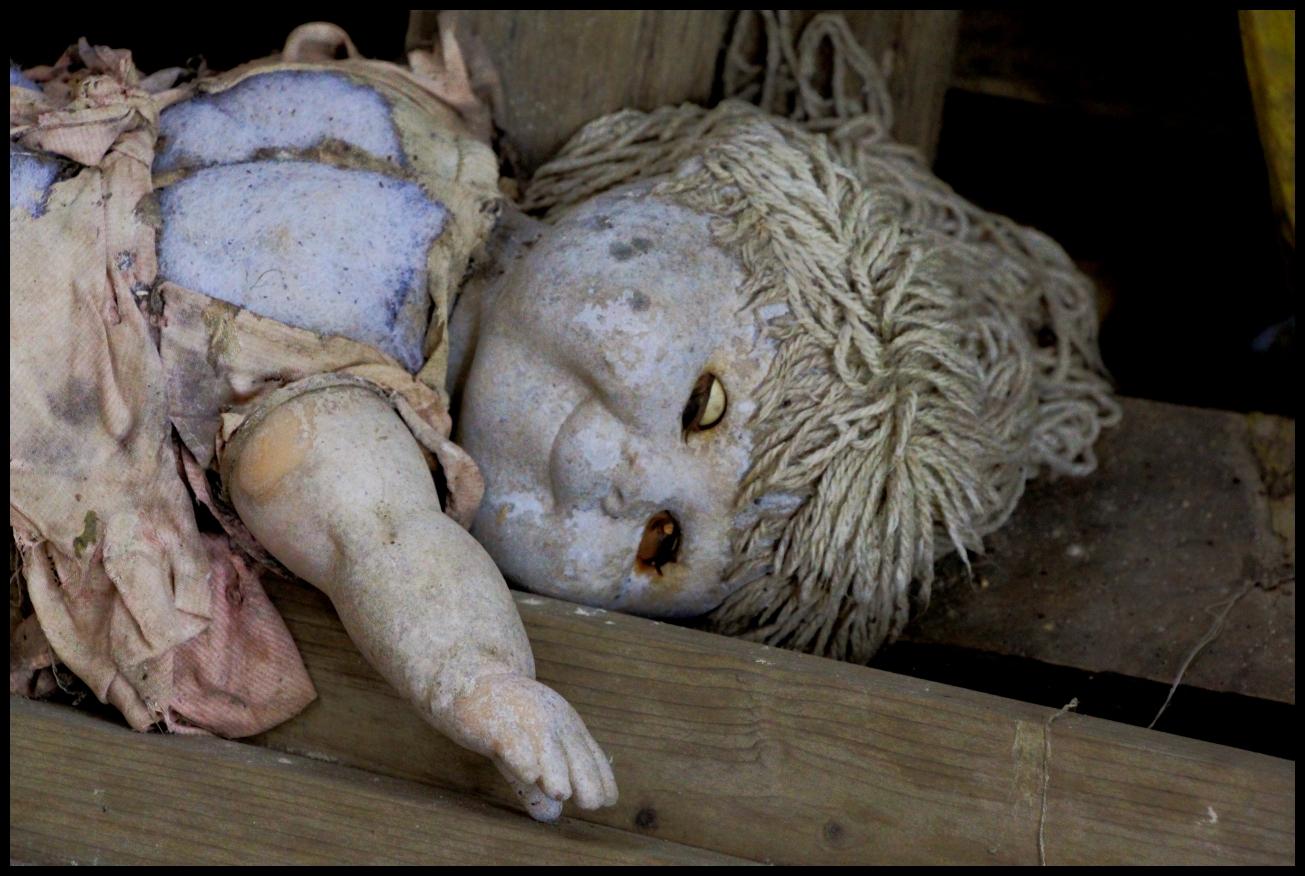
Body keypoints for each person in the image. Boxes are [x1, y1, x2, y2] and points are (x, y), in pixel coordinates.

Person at [9, 14, 1116, 824]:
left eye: (661, 545)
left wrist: (479, 680)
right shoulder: (448, 140)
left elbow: (380, 540)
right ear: (677, 204)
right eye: (702, 404)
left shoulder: (349, 422)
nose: (629, 478)